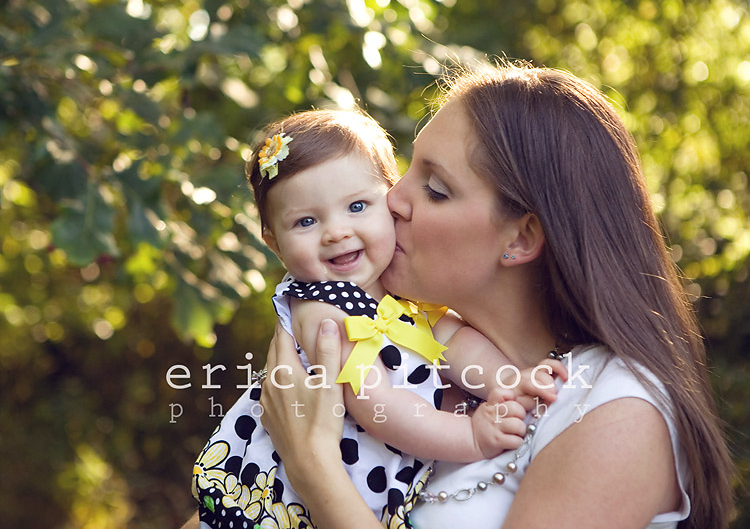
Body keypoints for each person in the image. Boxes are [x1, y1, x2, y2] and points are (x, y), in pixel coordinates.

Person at [256, 62, 736, 529]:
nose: (394, 199)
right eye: (404, 171)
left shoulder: (616, 412)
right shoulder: (424, 359)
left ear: (520, 239)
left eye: (435, 189)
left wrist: (312, 465)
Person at [190, 108, 567, 528]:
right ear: (274, 243)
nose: (336, 232)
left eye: (356, 206)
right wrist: (471, 436)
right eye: (306, 221)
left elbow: (452, 342)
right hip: (278, 506)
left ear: (389, 203)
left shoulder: (399, 291)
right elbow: (376, 403)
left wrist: (508, 382)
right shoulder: (321, 310)